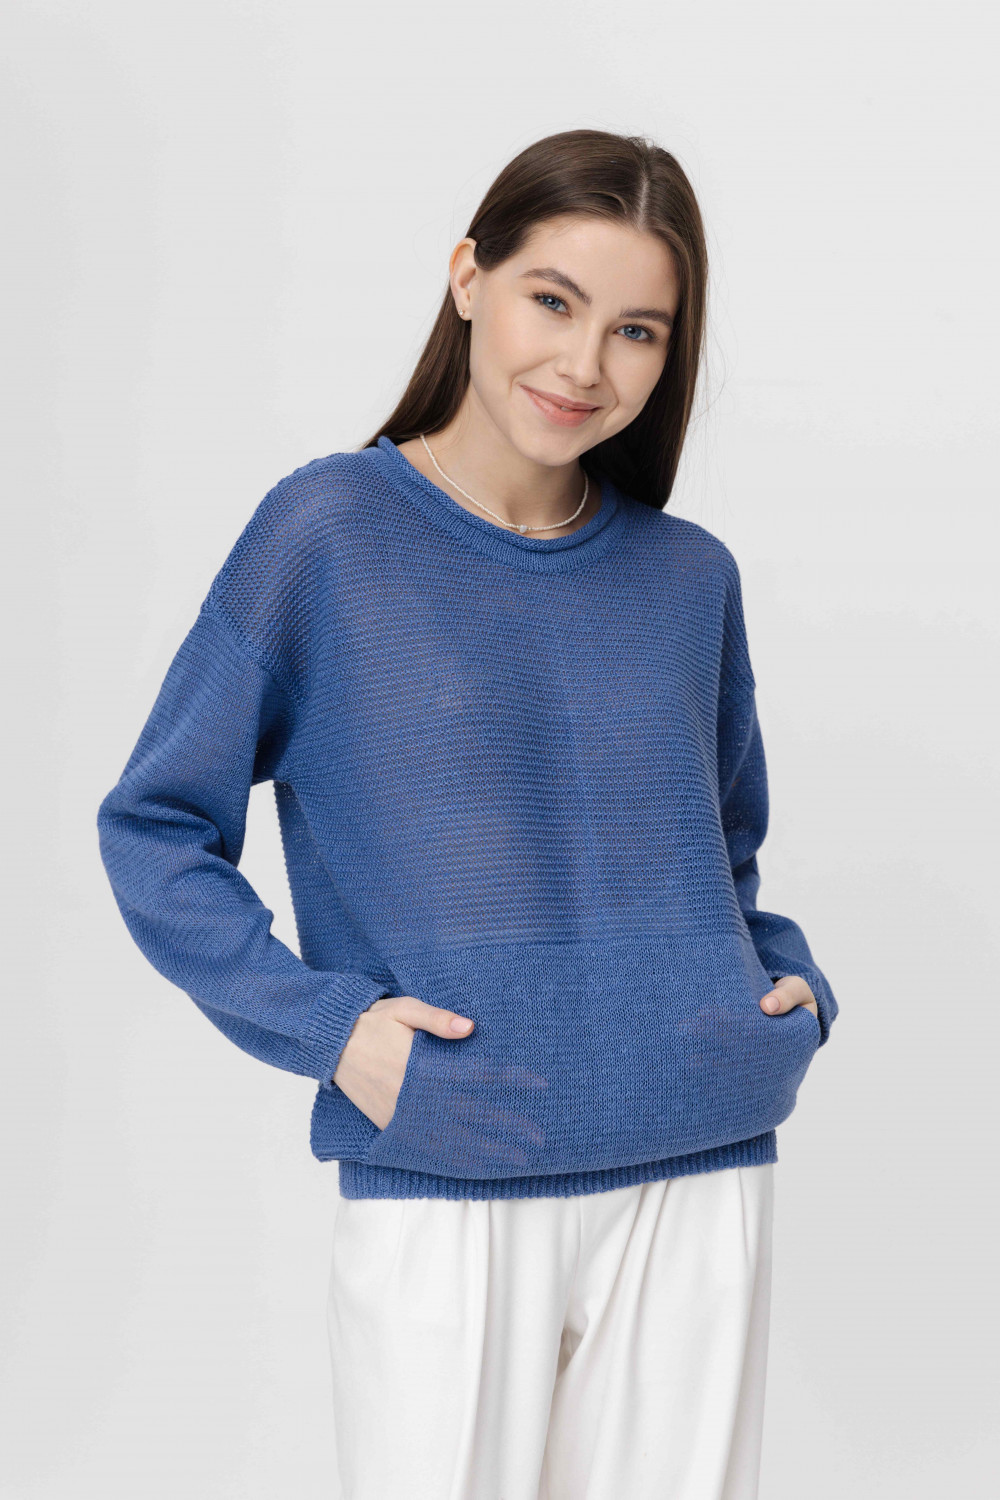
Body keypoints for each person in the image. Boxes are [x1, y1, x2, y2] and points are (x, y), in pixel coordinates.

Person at [96, 128, 839, 1499]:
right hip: (452, 1157)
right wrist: (335, 1033)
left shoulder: (690, 578)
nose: (584, 363)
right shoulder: (323, 534)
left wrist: (782, 988)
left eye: (636, 331)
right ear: (467, 278)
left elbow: (720, 854)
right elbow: (155, 828)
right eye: (553, 300)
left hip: (701, 1156)